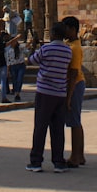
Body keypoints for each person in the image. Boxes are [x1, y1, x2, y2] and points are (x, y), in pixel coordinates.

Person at [26, 20, 72, 173]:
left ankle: (36, 161)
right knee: (58, 129)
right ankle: (58, 162)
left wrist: (32, 48)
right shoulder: (68, 51)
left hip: (45, 93)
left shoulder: (46, 49)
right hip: (60, 93)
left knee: (40, 127)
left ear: (52, 34)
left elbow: (31, 61)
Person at [62, 15, 87, 168]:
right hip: (77, 83)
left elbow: (73, 73)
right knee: (76, 121)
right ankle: (80, 155)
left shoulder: (74, 48)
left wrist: (68, 97)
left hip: (75, 84)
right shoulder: (71, 45)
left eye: (65, 28)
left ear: (72, 29)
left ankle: (75, 157)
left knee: (74, 121)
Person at [7, 35, 28, 102]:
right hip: (13, 66)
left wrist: (30, 41)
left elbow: (26, 46)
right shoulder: (9, 50)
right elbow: (8, 61)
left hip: (21, 65)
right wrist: (8, 70)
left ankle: (17, 93)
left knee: (19, 79)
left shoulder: (19, 47)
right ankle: (16, 92)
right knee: (14, 80)